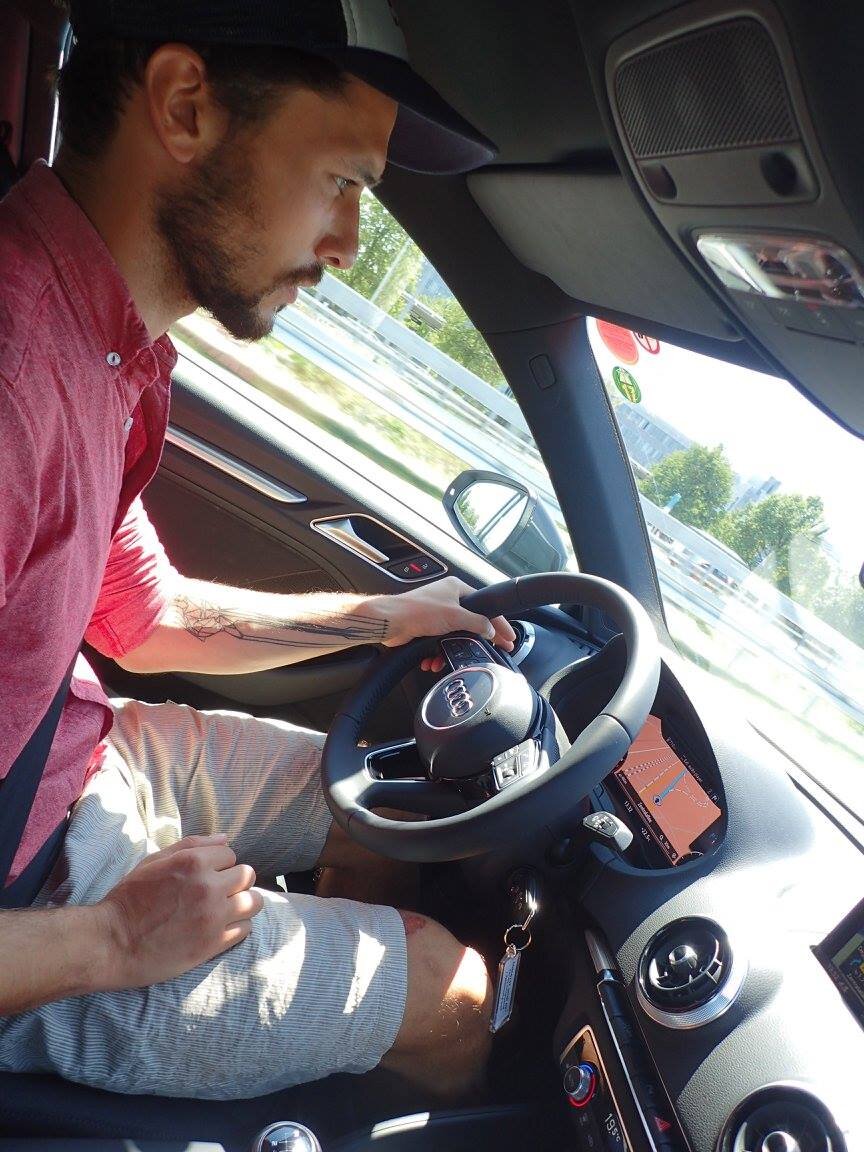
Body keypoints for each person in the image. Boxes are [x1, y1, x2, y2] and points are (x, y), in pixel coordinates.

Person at [0, 0, 515, 1100]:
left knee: (388, 797)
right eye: (342, 183)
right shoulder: (14, 383)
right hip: (35, 901)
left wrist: (386, 617)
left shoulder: (102, 345)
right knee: (457, 996)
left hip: (81, 761)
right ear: (185, 106)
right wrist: (117, 941)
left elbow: (146, 618)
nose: (347, 246)